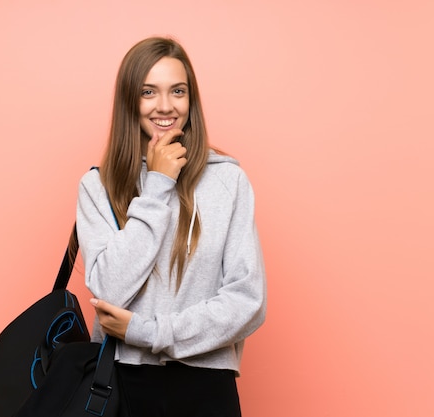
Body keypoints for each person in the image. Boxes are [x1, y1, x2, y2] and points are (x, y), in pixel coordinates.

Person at [75, 36, 266, 417]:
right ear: (130, 99)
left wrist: (149, 332)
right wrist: (159, 185)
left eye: (177, 91)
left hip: (207, 385)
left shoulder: (228, 182)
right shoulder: (97, 186)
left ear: (190, 100)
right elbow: (109, 289)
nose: (165, 106)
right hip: (119, 381)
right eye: (149, 91)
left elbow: (248, 302)